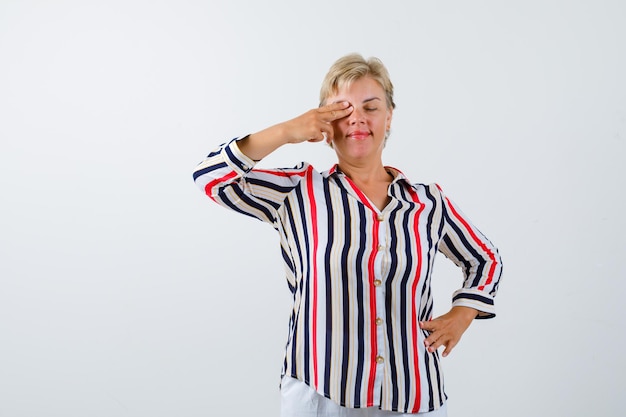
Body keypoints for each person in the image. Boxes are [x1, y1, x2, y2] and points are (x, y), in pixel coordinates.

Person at [193, 53, 502, 416]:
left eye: (371, 107)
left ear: (388, 118)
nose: (357, 118)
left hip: (412, 394)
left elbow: (485, 258)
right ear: (323, 123)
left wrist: (464, 312)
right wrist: (286, 131)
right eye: (341, 109)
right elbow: (211, 177)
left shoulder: (427, 201)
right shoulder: (299, 191)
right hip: (321, 392)